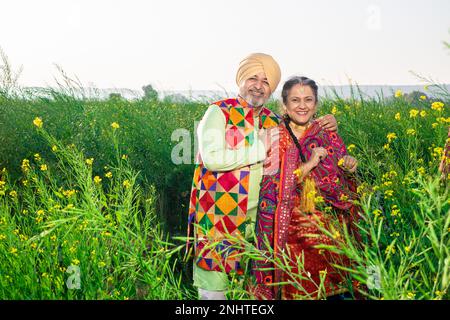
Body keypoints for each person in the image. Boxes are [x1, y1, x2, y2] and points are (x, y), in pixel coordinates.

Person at [187, 54, 338, 300]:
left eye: (266, 82)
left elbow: (303, 131)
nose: (258, 85)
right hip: (218, 220)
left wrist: (329, 124)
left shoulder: (274, 120)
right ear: (241, 80)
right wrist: (261, 147)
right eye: (253, 78)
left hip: (260, 226)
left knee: (251, 294)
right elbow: (212, 158)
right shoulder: (218, 112)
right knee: (214, 294)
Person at [252, 76, 360, 300]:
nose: (302, 105)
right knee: (300, 289)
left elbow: (342, 176)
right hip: (291, 235)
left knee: (337, 290)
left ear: (316, 104)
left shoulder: (328, 133)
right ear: (284, 105)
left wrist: (349, 166)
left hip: (331, 231)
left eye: (308, 99)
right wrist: (309, 165)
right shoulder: (273, 136)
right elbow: (271, 185)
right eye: (295, 100)